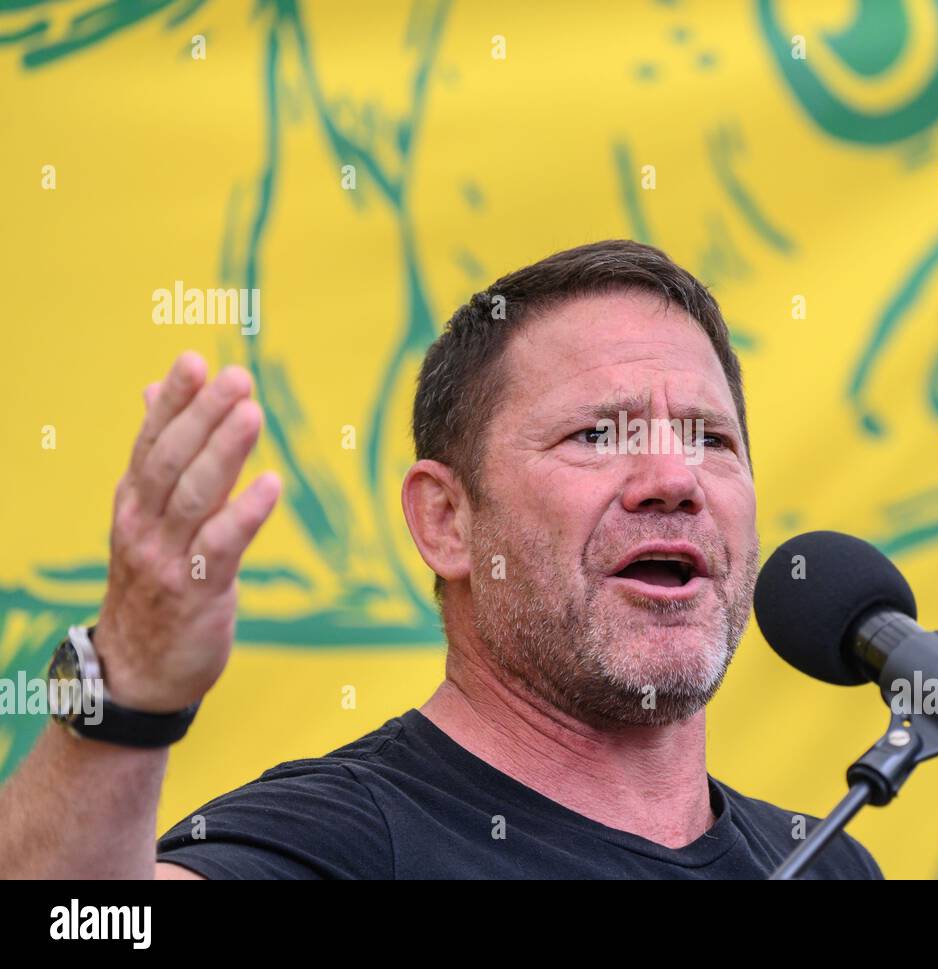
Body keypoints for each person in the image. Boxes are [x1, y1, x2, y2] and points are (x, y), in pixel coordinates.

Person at [0, 240, 882, 879]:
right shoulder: (343, 839)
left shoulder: (829, 859)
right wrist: (126, 692)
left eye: (711, 439)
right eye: (596, 434)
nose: (671, 480)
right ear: (446, 520)